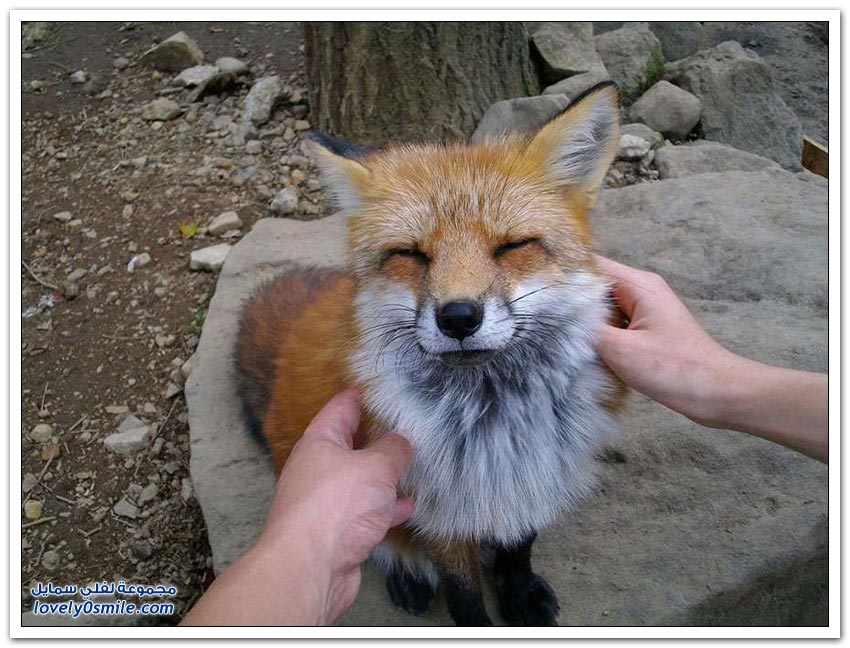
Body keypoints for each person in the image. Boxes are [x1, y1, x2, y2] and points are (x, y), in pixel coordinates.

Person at [182, 256, 827, 626]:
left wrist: (717, 385)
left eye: (509, 246)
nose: (461, 296)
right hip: (400, 516)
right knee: (432, 530)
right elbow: (439, 515)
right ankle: (466, 609)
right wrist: (315, 550)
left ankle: (513, 573)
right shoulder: (389, 363)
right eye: (421, 255)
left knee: (524, 491)